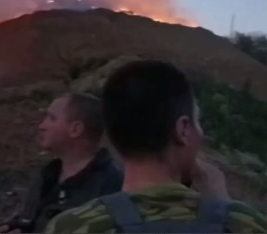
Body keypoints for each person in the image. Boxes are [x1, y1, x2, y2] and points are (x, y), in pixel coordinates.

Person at [45, 60, 267, 233]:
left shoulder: (69, 227)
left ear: (114, 137)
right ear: (183, 130)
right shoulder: (248, 225)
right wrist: (225, 210)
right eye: (198, 122)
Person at [1, 93, 123, 233]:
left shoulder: (111, 184)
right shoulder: (47, 175)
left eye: (52, 118)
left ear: (75, 129)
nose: (42, 125)